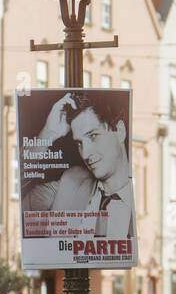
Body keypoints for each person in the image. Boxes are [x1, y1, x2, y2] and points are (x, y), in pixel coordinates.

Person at [23, 91, 134, 241]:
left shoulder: (144, 198)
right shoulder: (71, 181)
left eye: (93, 136)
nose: (86, 153)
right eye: (79, 143)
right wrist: (48, 133)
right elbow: (19, 193)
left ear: (120, 131)